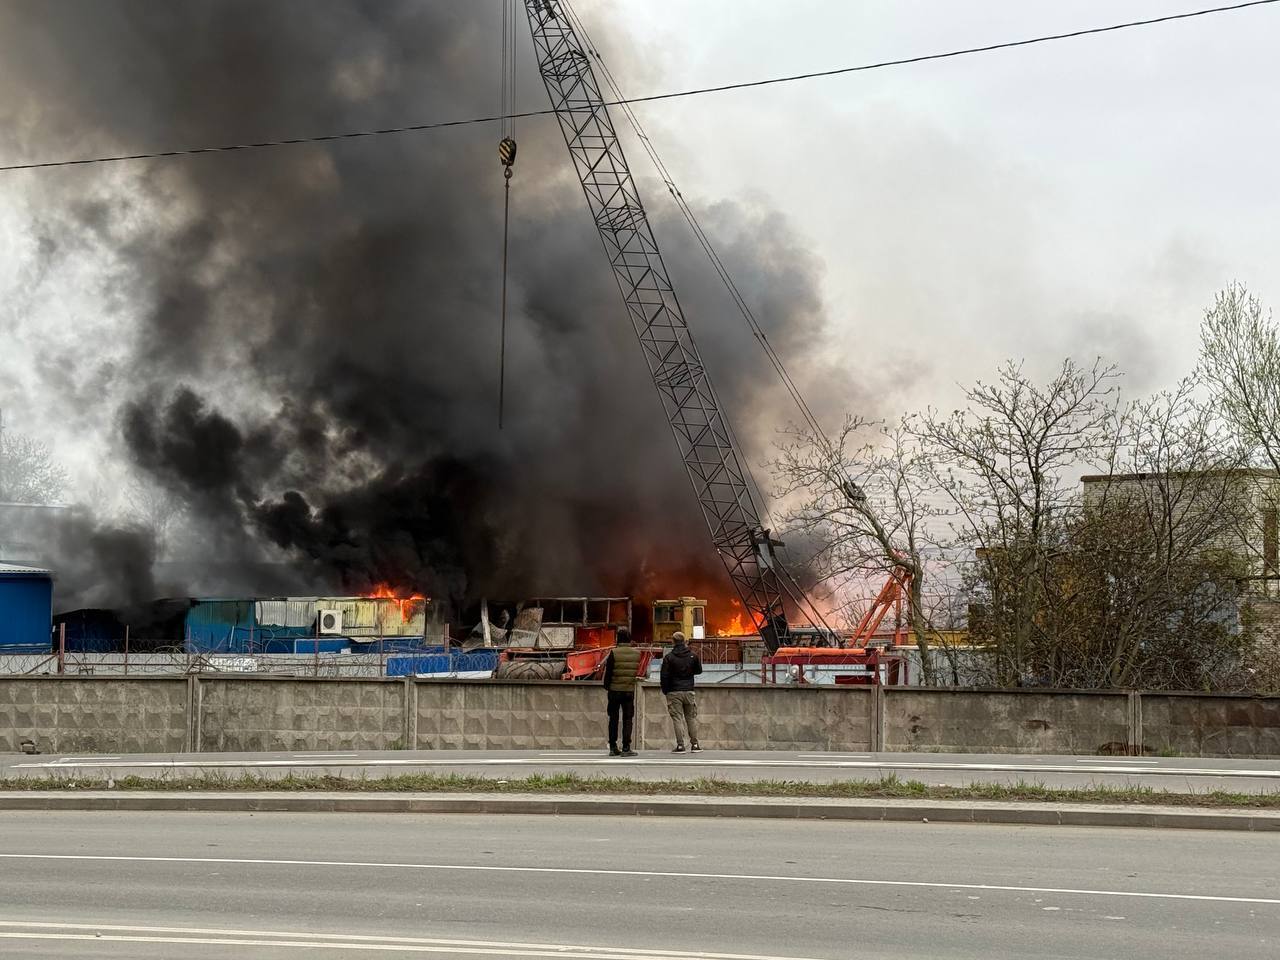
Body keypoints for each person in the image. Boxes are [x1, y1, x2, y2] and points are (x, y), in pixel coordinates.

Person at [659, 631, 702, 753]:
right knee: (691, 718)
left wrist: (666, 690)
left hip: (673, 691)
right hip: (689, 690)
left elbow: (664, 676)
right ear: (685, 641)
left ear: (673, 642)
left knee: (677, 718)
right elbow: (698, 671)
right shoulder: (693, 655)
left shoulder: (669, 658)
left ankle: (680, 746)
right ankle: (695, 745)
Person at [602, 626, 641, 757]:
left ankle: (613, 746)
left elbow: (608, 673)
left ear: (618, 638)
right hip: (629, 691)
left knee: (613, 718)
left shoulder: (614, 653)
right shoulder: (637, 653)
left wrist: (607, 686)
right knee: (628, 719)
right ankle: (626, 747)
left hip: (614, 691)